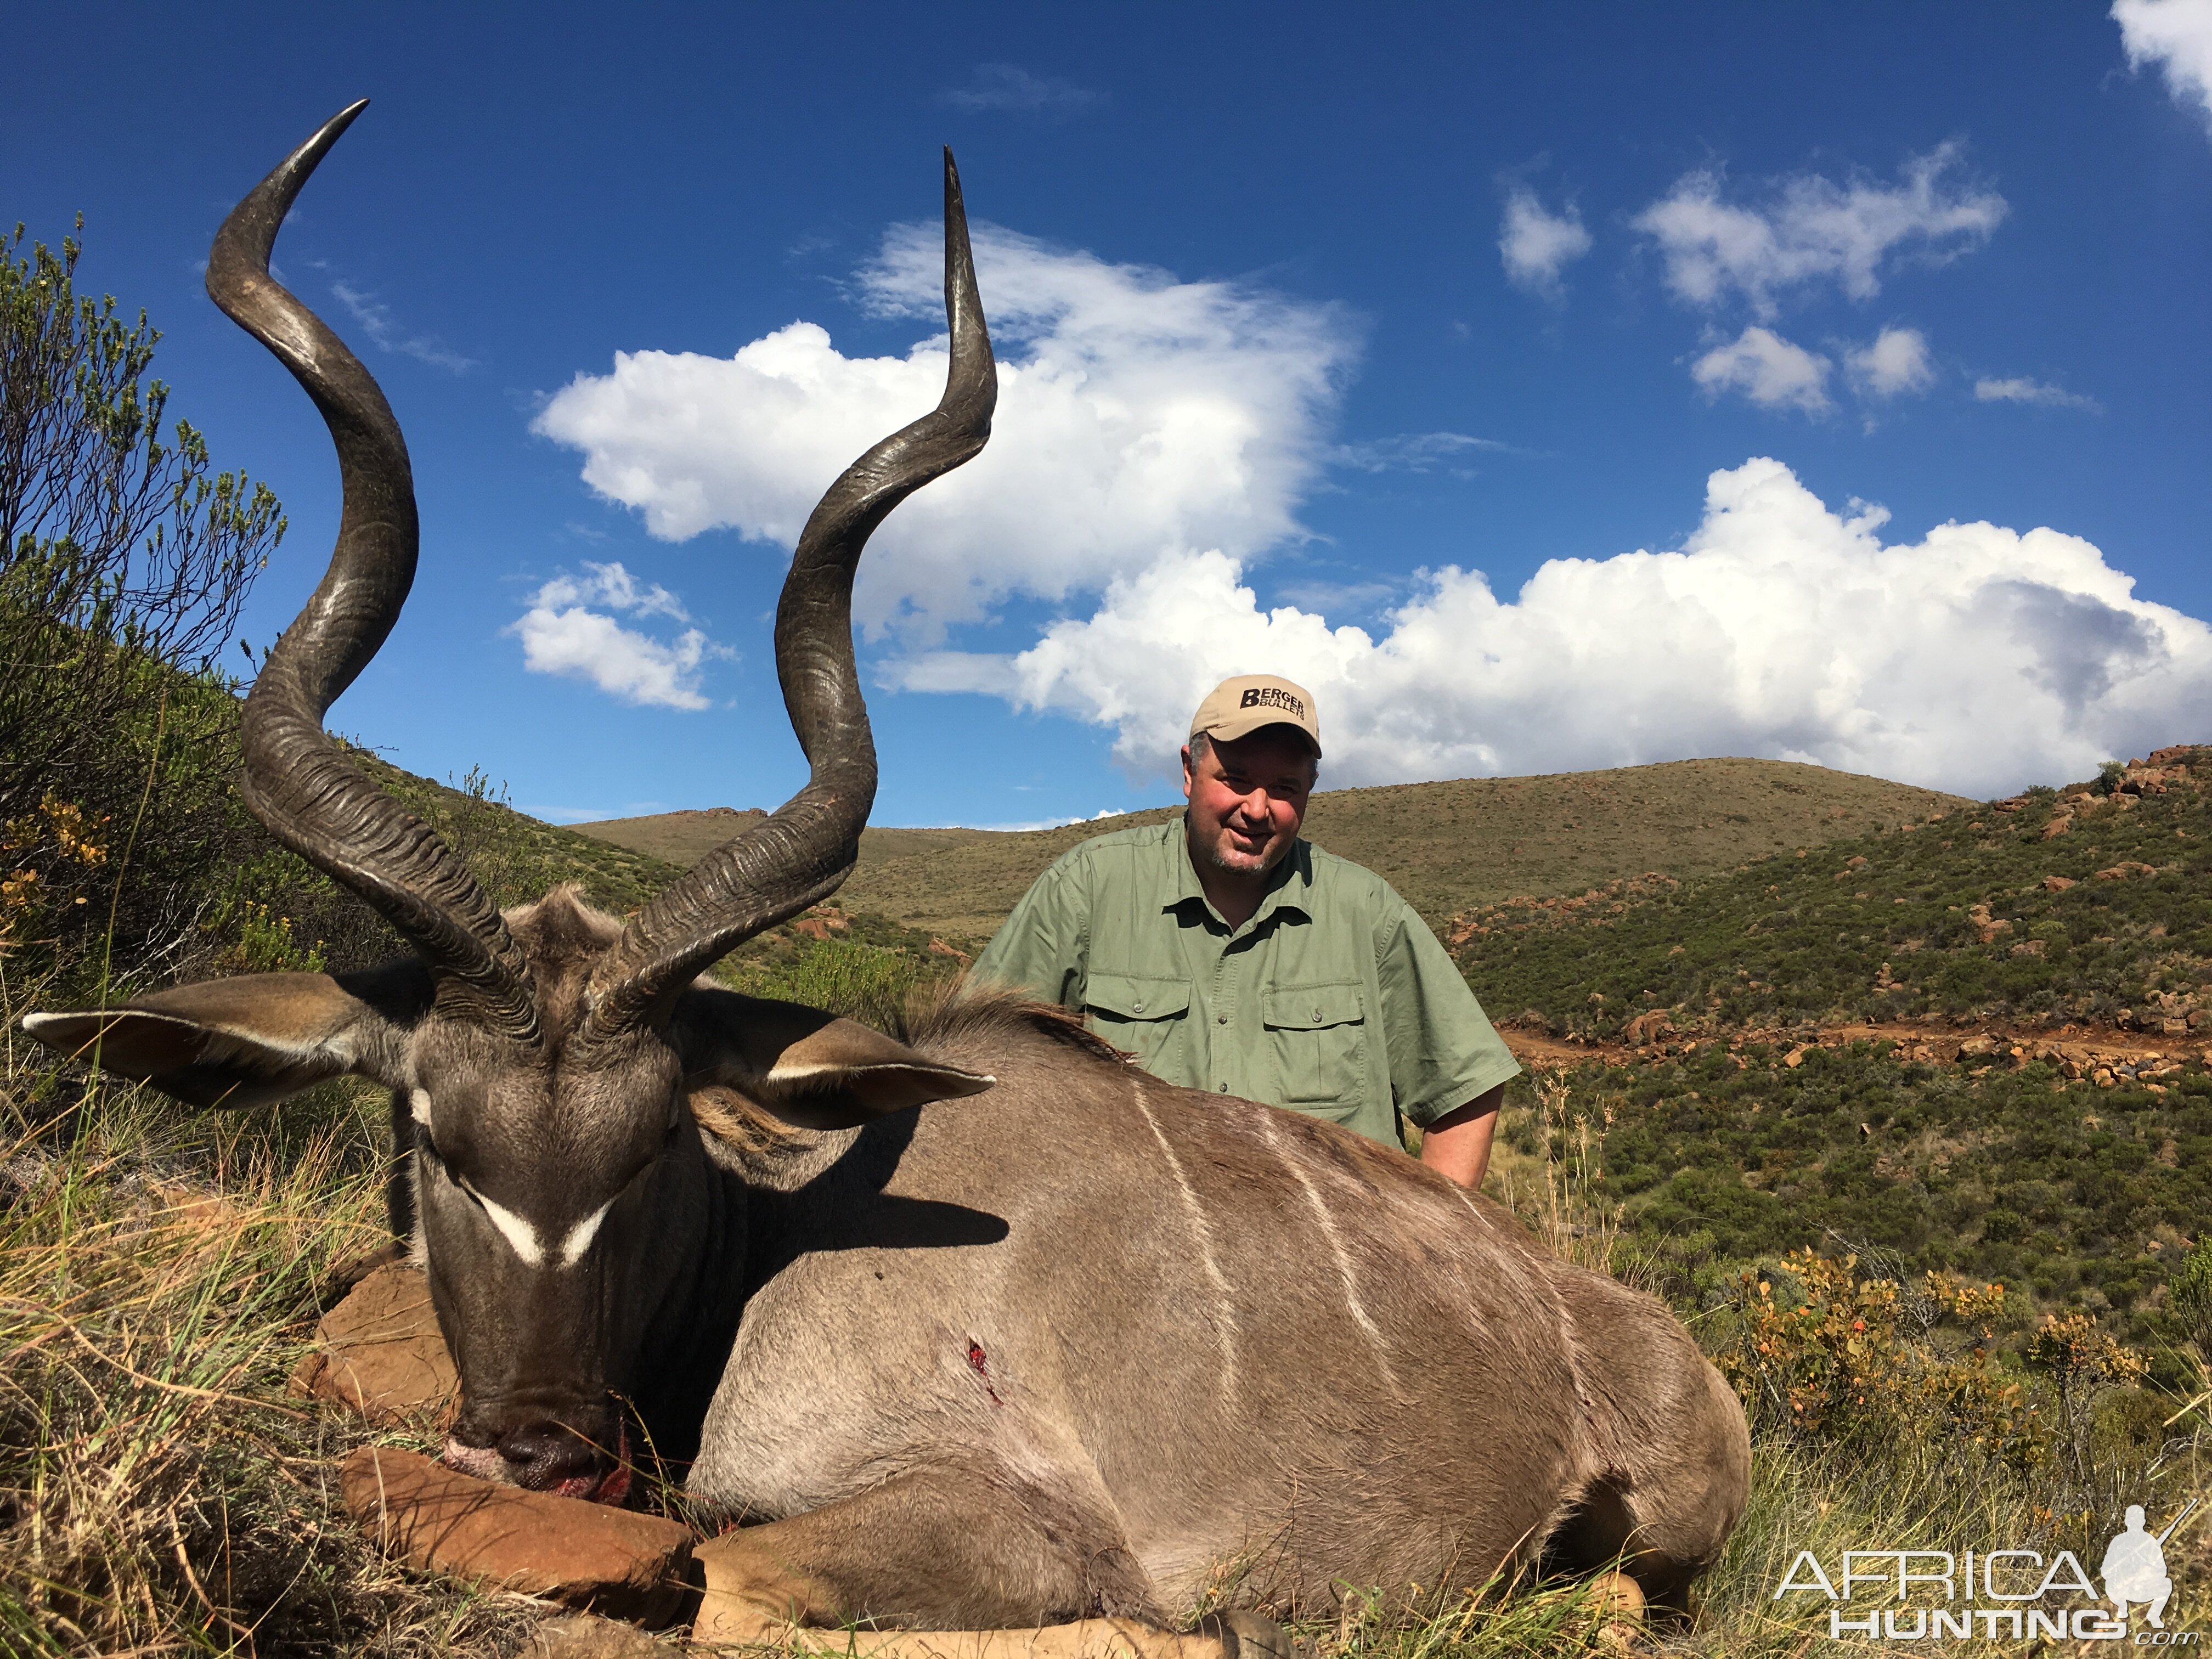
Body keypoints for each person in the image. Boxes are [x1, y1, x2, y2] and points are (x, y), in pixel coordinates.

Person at [971, 674, 1520, 1187]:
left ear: (1311, 789)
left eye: (1284, 788)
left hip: (1334, 1264)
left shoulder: (1366, 911)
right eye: (1235, 780)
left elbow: (1464, 1090)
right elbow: (976, 1062)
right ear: (1189, 771)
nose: (1257, 809)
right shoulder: (1089, 887)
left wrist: (1423, 1250)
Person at [2101, 1505, 2172, 1628]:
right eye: (2132, 1521)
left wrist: (2148, 1573)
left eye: (2138, 1521)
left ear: (2144, 1522)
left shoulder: (2150, 1542)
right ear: (2126, 1522)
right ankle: (2122, 1607)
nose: (2135, 1524)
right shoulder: (2119, 1541)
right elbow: (2106, 1571)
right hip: (2123, 1589)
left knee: (2167, 1584)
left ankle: (2154, 1615)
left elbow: (2162, 1570)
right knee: (2109, 1584)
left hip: (2144, 1588)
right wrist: (2121, 1570)